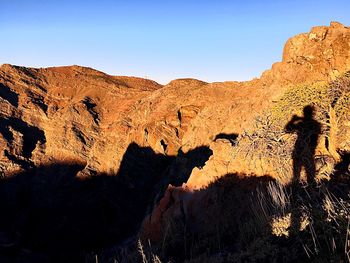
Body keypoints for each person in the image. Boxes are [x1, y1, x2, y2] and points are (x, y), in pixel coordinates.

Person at [285, 105, 321, 185]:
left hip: (300, 151)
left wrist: (293, 120)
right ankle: (309, 193)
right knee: (310, 176)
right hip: (306, 152)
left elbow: (287, 129)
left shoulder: (302, 124)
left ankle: (297, 192)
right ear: (313, 113)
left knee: (297, 176)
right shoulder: (315, 124)